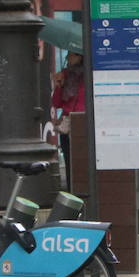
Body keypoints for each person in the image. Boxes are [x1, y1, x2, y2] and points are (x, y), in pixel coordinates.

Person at [51, 51, 86, 187]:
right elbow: (57, 102)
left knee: (81, 160)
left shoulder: (88, 75)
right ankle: (72, 188)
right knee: (69, 159)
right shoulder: (65, 74)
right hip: (68, 122)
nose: (67, 58)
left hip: (82, 121)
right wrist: (59, 86)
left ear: (80, 56)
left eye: (71, 55)